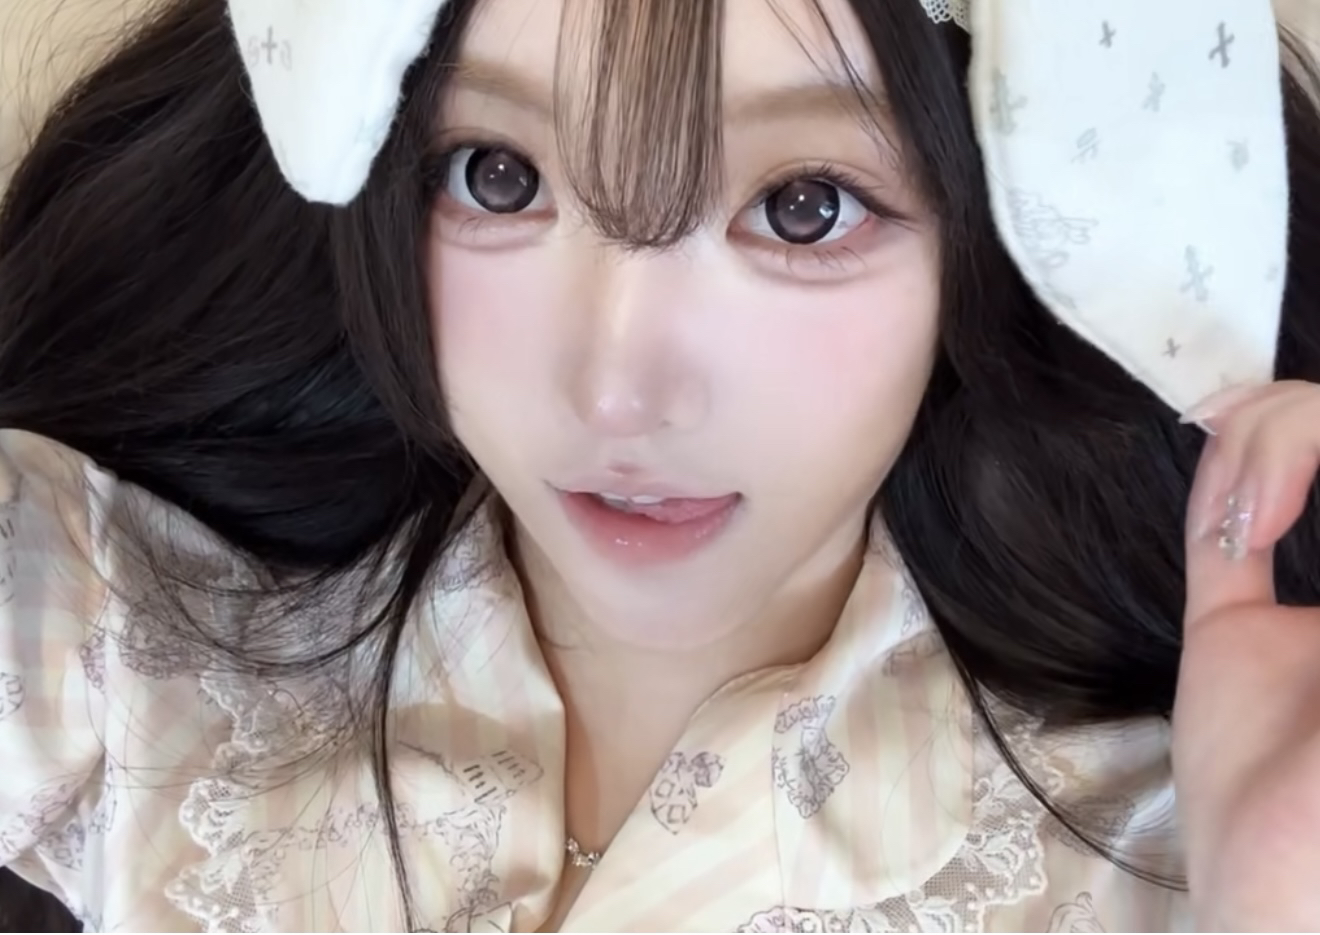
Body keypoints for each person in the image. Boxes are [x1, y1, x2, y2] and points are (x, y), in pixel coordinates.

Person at [2, 0, 1320, 929]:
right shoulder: (115, 654)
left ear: (985, 243)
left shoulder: (1183, 861)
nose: (617, 392)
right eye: (498, 176)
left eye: (804, 208)